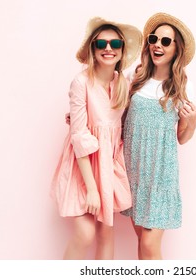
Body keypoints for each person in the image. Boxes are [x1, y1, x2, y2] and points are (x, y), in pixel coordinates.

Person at [51, 17, 142, 259]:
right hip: (84, 166)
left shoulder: (122, 83)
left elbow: (117, 126)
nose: (108, 48)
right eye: (101, 43)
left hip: (108, 165)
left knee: (106, 234)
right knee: (85, 233)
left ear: (122, 50)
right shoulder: (81, 82)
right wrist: (92, 189)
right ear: (93, 48)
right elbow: (80, 137)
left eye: (115, 44)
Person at [121, 12, 196, 260]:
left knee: (149, 244)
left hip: (160, 175)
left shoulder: (182, 86)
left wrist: (193, 121)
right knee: (141, 243)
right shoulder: (136, 75)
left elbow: (182, 138)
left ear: (177, 49)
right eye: (154, 38)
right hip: (133, 170)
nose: (157, 44)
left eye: (166, 41)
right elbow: (116, 114)